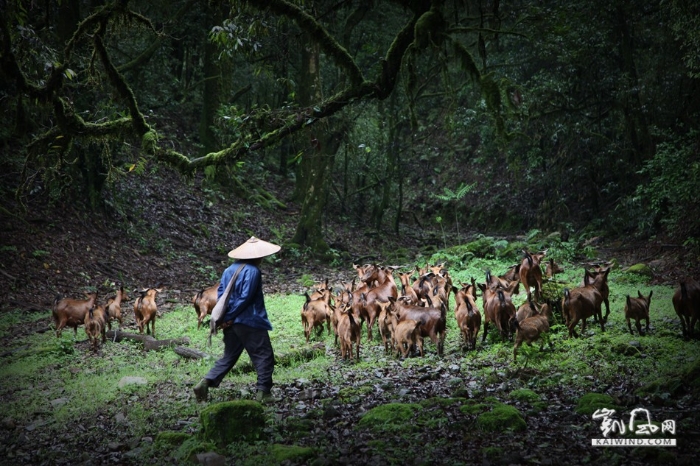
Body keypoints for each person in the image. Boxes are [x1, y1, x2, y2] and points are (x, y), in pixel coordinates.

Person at [193, 236, 280, 403]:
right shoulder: (253, 271)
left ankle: (205, 382)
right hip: (250, 321)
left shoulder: (228, 270)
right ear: (258, 256)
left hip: (231, 322)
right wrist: (232, 316)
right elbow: (245, 297)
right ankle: (264, 392)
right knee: (264, 355)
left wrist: (226, 318)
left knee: (229, 356)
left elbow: (221, 295)